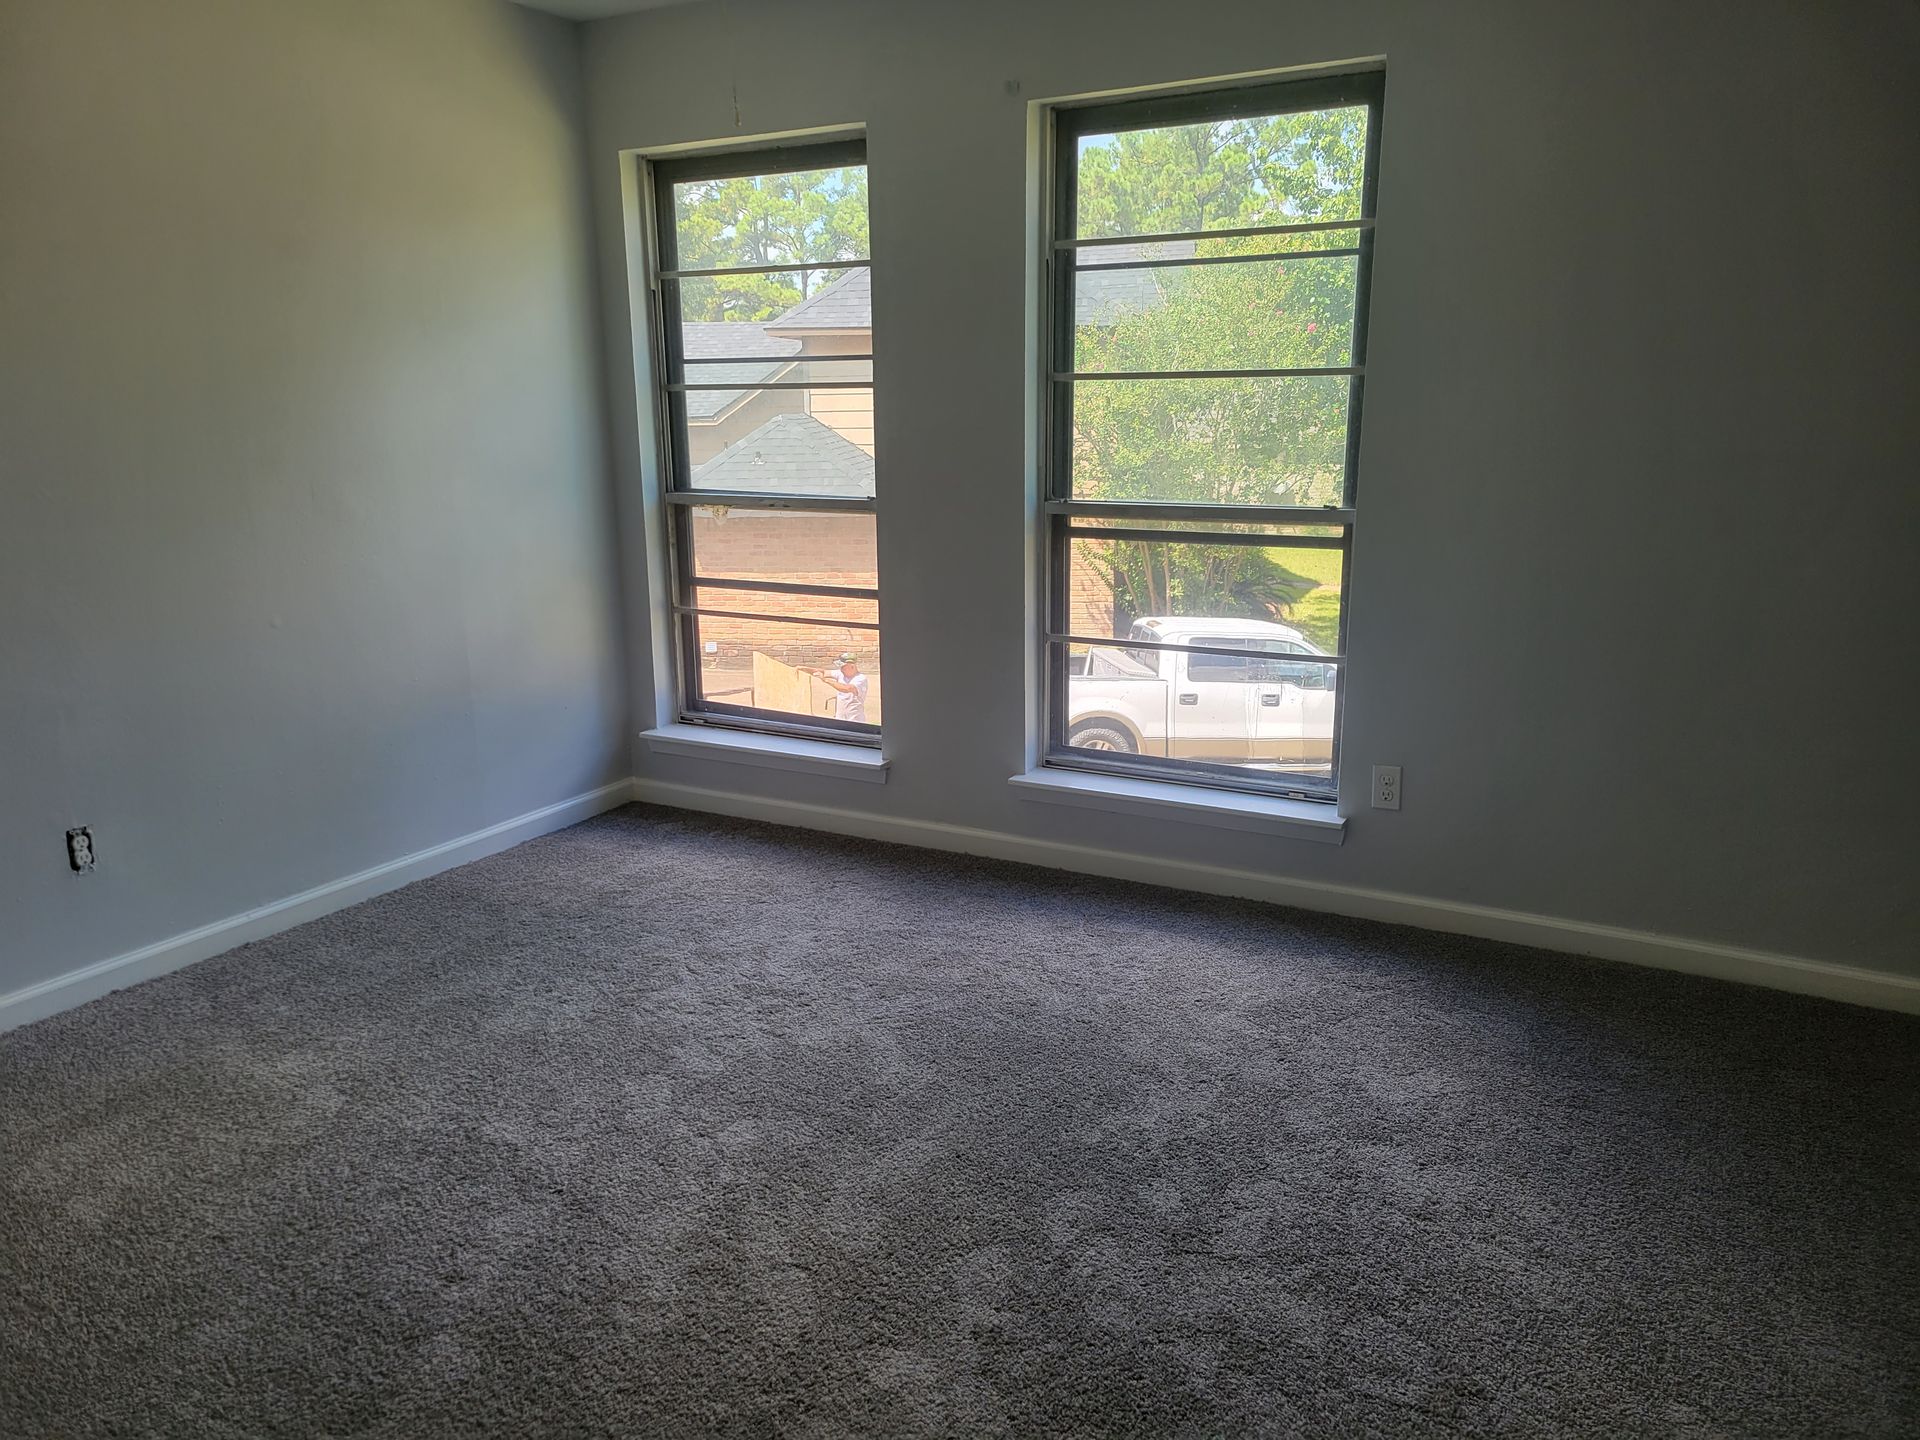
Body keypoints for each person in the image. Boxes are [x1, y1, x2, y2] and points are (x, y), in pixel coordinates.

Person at [801, 650, 869, 724]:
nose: (841, 669)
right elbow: (823, 672)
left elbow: (847, 688)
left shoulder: (860, 679)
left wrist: (826, 680)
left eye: (843, 667)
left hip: (854, 720)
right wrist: (804, 668)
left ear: (852, 666)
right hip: (840, 719)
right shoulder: (840, 673)